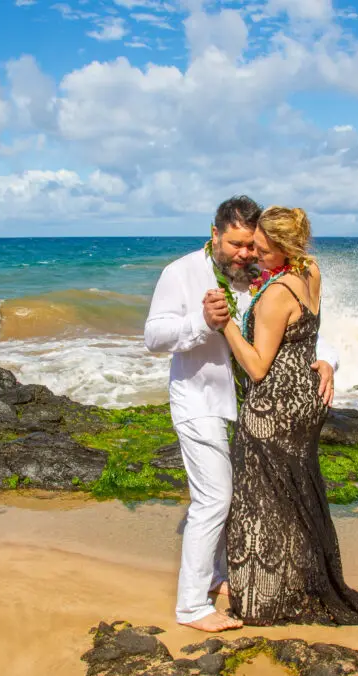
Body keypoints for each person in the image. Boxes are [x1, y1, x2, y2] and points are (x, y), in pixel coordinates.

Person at [143, 196, 338, 633]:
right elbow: (153, 337)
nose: (245, 255)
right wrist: (200, 321)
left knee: (234, 499)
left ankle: (217, 577)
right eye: (235, 245)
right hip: (201, 401)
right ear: (215, 235)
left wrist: (329, 360)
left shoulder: (264, 273)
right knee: (214, 499)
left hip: (253, 410)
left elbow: (301, 325)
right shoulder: (180, 273)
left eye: (252, 245)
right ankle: (191, 607)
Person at [218, 206, 358, 626]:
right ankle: (303, 581)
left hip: (273, 406)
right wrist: (326, 362)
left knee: (259, 499)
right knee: (296, 494)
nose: (255, 254)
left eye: (263, 249)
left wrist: (226, 323)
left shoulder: (276, 294)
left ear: (284, 248)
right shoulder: (310, 272)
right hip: (307, 400)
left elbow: (256, 366)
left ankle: (264, 601)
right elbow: (308, 336)